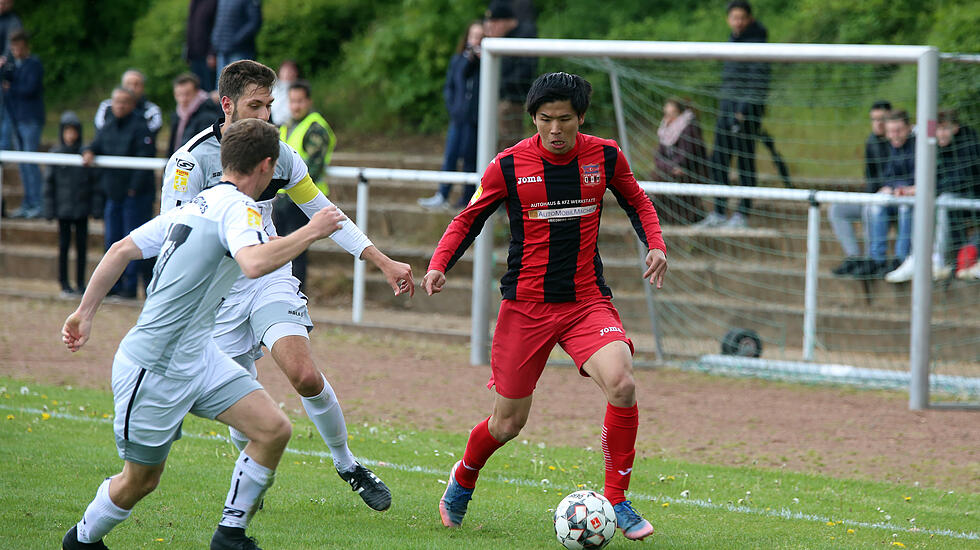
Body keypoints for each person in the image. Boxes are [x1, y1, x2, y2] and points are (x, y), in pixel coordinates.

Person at [61, 118, 346, 550]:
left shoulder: (198, 202)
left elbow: (121, 249)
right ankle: (81, 540)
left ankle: (230, 535)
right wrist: (310, 231)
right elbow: (252, 263)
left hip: (198, 355)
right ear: (268, 166)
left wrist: (84, 313)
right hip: (154, 366)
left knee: (272, 429)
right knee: (140, 481)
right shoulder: (240, 208)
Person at [423, 72, 667, 542]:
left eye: (565, 120)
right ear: (533, 118)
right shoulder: (509, 165)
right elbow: (468, 218)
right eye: (545, 119)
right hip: (526, 308)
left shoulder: (606, 155)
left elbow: (638, 200)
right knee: (508, 422)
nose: (555, 129)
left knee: (622, 383)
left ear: (581, 119)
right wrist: (439, 264)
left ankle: (616, 498)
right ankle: (465, 476)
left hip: (585, 303)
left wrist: (654, 244)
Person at [162, 60, 414, 512]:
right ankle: (252, 471)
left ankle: (348, 464)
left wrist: (382, 261)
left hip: (270, 276)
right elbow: (174, 240)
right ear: (227, 105)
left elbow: (325, 212)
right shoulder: (189, 161)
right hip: (217, 297)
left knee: (303, 373)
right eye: (255, 105)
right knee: (243, 403)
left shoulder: (281, 154)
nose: (265, 114)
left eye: (269, 105)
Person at [885, 109, 980, 282]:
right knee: (921, 200)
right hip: (945, 198)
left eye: (945, 129)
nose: (940, 134)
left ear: (956, 128)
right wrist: (915, 188)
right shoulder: (933, 146)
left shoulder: (970, 144)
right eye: (937, 129)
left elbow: (961, 180)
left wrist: (926, 188)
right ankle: (915, 257)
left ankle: (939, 260)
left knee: (943, 201)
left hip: (971, 199)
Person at [698, 0, 770, 229]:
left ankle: (742, 214)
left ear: (749, 18)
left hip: (745, 112)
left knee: (745, 161)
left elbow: (759, 81)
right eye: (733, 18)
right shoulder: (732, 40)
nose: (737, 22)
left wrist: (743, 110)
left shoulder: (758, 42)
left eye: (741, 18)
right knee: (719, 159)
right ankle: (719, 211)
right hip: (726, 108)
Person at [83, 87, 156, 299]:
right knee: (112, 241)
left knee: (133, 243)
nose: (120, 106)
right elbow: (95, 145)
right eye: (116, 101)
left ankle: (130, 288)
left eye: (124, 102)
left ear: (132, 104)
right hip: (113, 195)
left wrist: (133, 189)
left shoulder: (142, 127)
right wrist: (87, 151)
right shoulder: (108, 124)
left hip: (135, 196)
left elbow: (145, 160)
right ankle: (112, 286)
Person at [272, 79, 336, 290]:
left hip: (303, 200)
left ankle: (297, 299)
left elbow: (314, 167)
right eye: (292, 101)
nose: (296, 106)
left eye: (300, 101)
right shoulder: (287, 125)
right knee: (278, 249)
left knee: (296, 253)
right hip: (282, 198)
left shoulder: (316, 128)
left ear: (309, 101)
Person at [418, 21, 483, 210]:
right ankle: (442, 194)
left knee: (471, 159)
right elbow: (451, 85)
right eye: (473, 36)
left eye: (480, 36)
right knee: (451, 155)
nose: (476, 40)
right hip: (458, 118)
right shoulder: (458, 60)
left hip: (475, 120)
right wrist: (453, 107)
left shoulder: (487, 61)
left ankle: (468, 198)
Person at [829, 100, 892, 277]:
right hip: (874, 196)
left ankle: (871, 259)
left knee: (870, 209)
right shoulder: (871, 142)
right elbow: (870, 177)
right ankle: (854, 257)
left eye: (882, 119)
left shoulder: (899, 141)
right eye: (874, 119)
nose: (878, 123)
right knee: (837, 209)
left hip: (894, 199)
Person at [43, 112, 96, 297]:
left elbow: (92, 182)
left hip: (81, 209)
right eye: (67, 131)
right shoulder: (56, 154)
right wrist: (49, 209)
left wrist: (93, 207)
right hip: (63, 209)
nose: (70, 135)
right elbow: (49, 183)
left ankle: (81, 283)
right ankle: (64, 282)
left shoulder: (85, 153)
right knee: (64, 246)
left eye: (74, 131)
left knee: (82, 248)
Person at [866, 109, 914, 279]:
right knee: (876, 204)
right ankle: (877, 259)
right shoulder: (892, 147)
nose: (894, 135)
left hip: (914, 201)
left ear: (908, 128)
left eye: (898, 130)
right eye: (891, 131)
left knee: (906, 206)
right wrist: (893, 188)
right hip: (897, 196)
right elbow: (888, 178)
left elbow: (921, 178)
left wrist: (906, 188)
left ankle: (901, 258)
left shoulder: (918, 146)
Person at [484, 0, 537, 152]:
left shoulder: (524, 35)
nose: (490, 26)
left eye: (494, 22)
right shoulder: (501, 37)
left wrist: (501, 86)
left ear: (506, 21)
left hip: (511, 100)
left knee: (509, 144)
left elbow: (525, 70)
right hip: (499, 98)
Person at [1, 30, 44, 219]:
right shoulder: (12, 66)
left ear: (25, 46)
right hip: (16, 118)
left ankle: (38, 203)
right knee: (22, 164)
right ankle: (28, 202)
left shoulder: (34, 64)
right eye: (13, 47)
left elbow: (29, 89)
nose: (16, 51)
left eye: (19, 47)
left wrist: (12, 86)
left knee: (30, 162)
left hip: (30, 118)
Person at [652, 98, 709, 225]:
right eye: (666, 114)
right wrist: (669, 167)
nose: (667, 117)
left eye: (670, 114)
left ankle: (690, 216)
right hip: (673, 169)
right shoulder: (665, 128)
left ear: (679, 113)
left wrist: (671, 167)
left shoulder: (689, 128)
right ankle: (666, 217)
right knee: (657, 176)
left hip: (691, 170)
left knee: (667, 177)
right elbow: (657, 156)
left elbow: (686, 156)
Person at [94, 69, 164, 144]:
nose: (132, 88)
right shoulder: (106, 106)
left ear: (143, 87)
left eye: (136, 84)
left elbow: (148, 134)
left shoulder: (152, 110)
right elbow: (100, 129)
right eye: (128, 84)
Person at [168, 72, 221, 156]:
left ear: (197, 92)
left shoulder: (208, 116)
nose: (183, 99)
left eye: (187, 94)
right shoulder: (177, 115)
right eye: (179, 95)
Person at [211, 0, 262, 76]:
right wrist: (215, 40)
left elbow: (255, 21)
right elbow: (219, 20)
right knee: (222, 84)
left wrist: (236, 39)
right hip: (222, 49)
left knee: (239, 83)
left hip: (240, 50)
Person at [186, 0, 218, 92]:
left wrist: (213, 52)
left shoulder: (214, 2)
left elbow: (217, 27)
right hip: (195, 55)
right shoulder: (194, 2)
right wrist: (188, 53)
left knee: (210, 91)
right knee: (197, 91)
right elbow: (190, 27)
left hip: (208, 56)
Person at [270, 59, 298, 127]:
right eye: (285, 71)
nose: (288, 74)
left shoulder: (298, 90)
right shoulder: (272, 89)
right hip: (273, 124)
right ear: (279, 72)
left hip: (292, 124)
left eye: (291, 71)